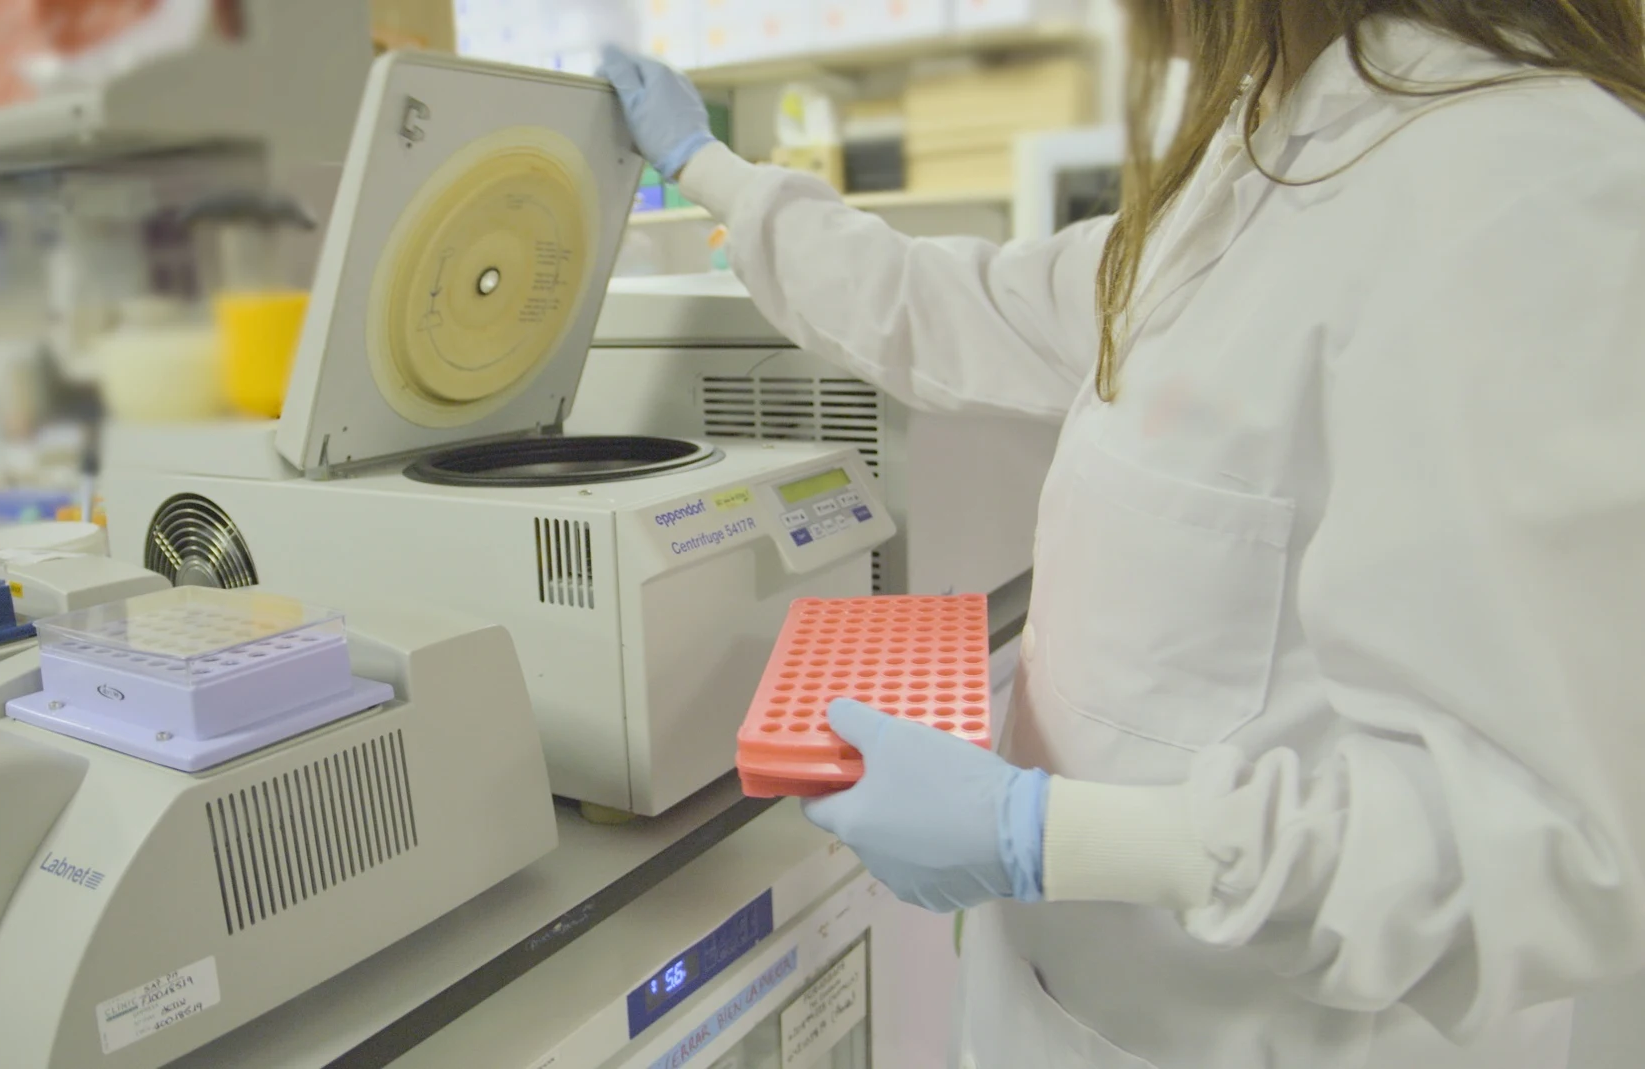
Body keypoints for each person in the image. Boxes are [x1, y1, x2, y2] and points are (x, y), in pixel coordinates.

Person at [601, 1, 1645, 1066]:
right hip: (1063, 1008)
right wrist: (710, 168)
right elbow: (952, 303)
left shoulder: (1530, 190)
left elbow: (1541, 857)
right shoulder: (1264, 155)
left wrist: (1043, 834)